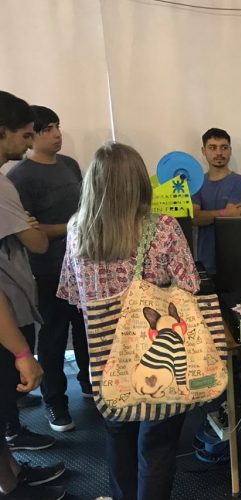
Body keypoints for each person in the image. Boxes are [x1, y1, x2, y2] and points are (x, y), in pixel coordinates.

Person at [57, 142, 200, 500]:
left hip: (105, 359)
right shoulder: (162, 228)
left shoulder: (77, 229)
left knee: (118, 436)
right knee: (158, 443)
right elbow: (189, 288)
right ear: (139, 182)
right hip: (159, 356)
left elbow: (73, 295)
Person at [7, 105, 90, 433]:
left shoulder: (69, 165)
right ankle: (55, 402)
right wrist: (73, 226)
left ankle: (89, 383)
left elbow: (86, 208)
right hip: (47, 269)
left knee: (85, 331)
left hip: (82, 265)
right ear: (32, 136)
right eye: (48, 129)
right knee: (54, 338)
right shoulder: (19, 177)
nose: (56, 134)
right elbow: (28, 231)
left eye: (58, 126)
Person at [0, 90, 66, 500]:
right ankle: (9, 488)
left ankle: (12, 473)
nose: (28, 144)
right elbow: (38, 242)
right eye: (26, 135)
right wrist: (24, 353)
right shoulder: (7, 186)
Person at [191, 128, 241, 274]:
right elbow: (195, 218)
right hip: (204, 263)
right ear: (204, 151)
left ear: (230, 150)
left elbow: (231, 219)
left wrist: (208, 215)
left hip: (235, 262)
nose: (219, 152)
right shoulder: (195, 184)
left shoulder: (240, 182)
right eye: (212, 147)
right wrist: (225, 212)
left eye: (224, 147)